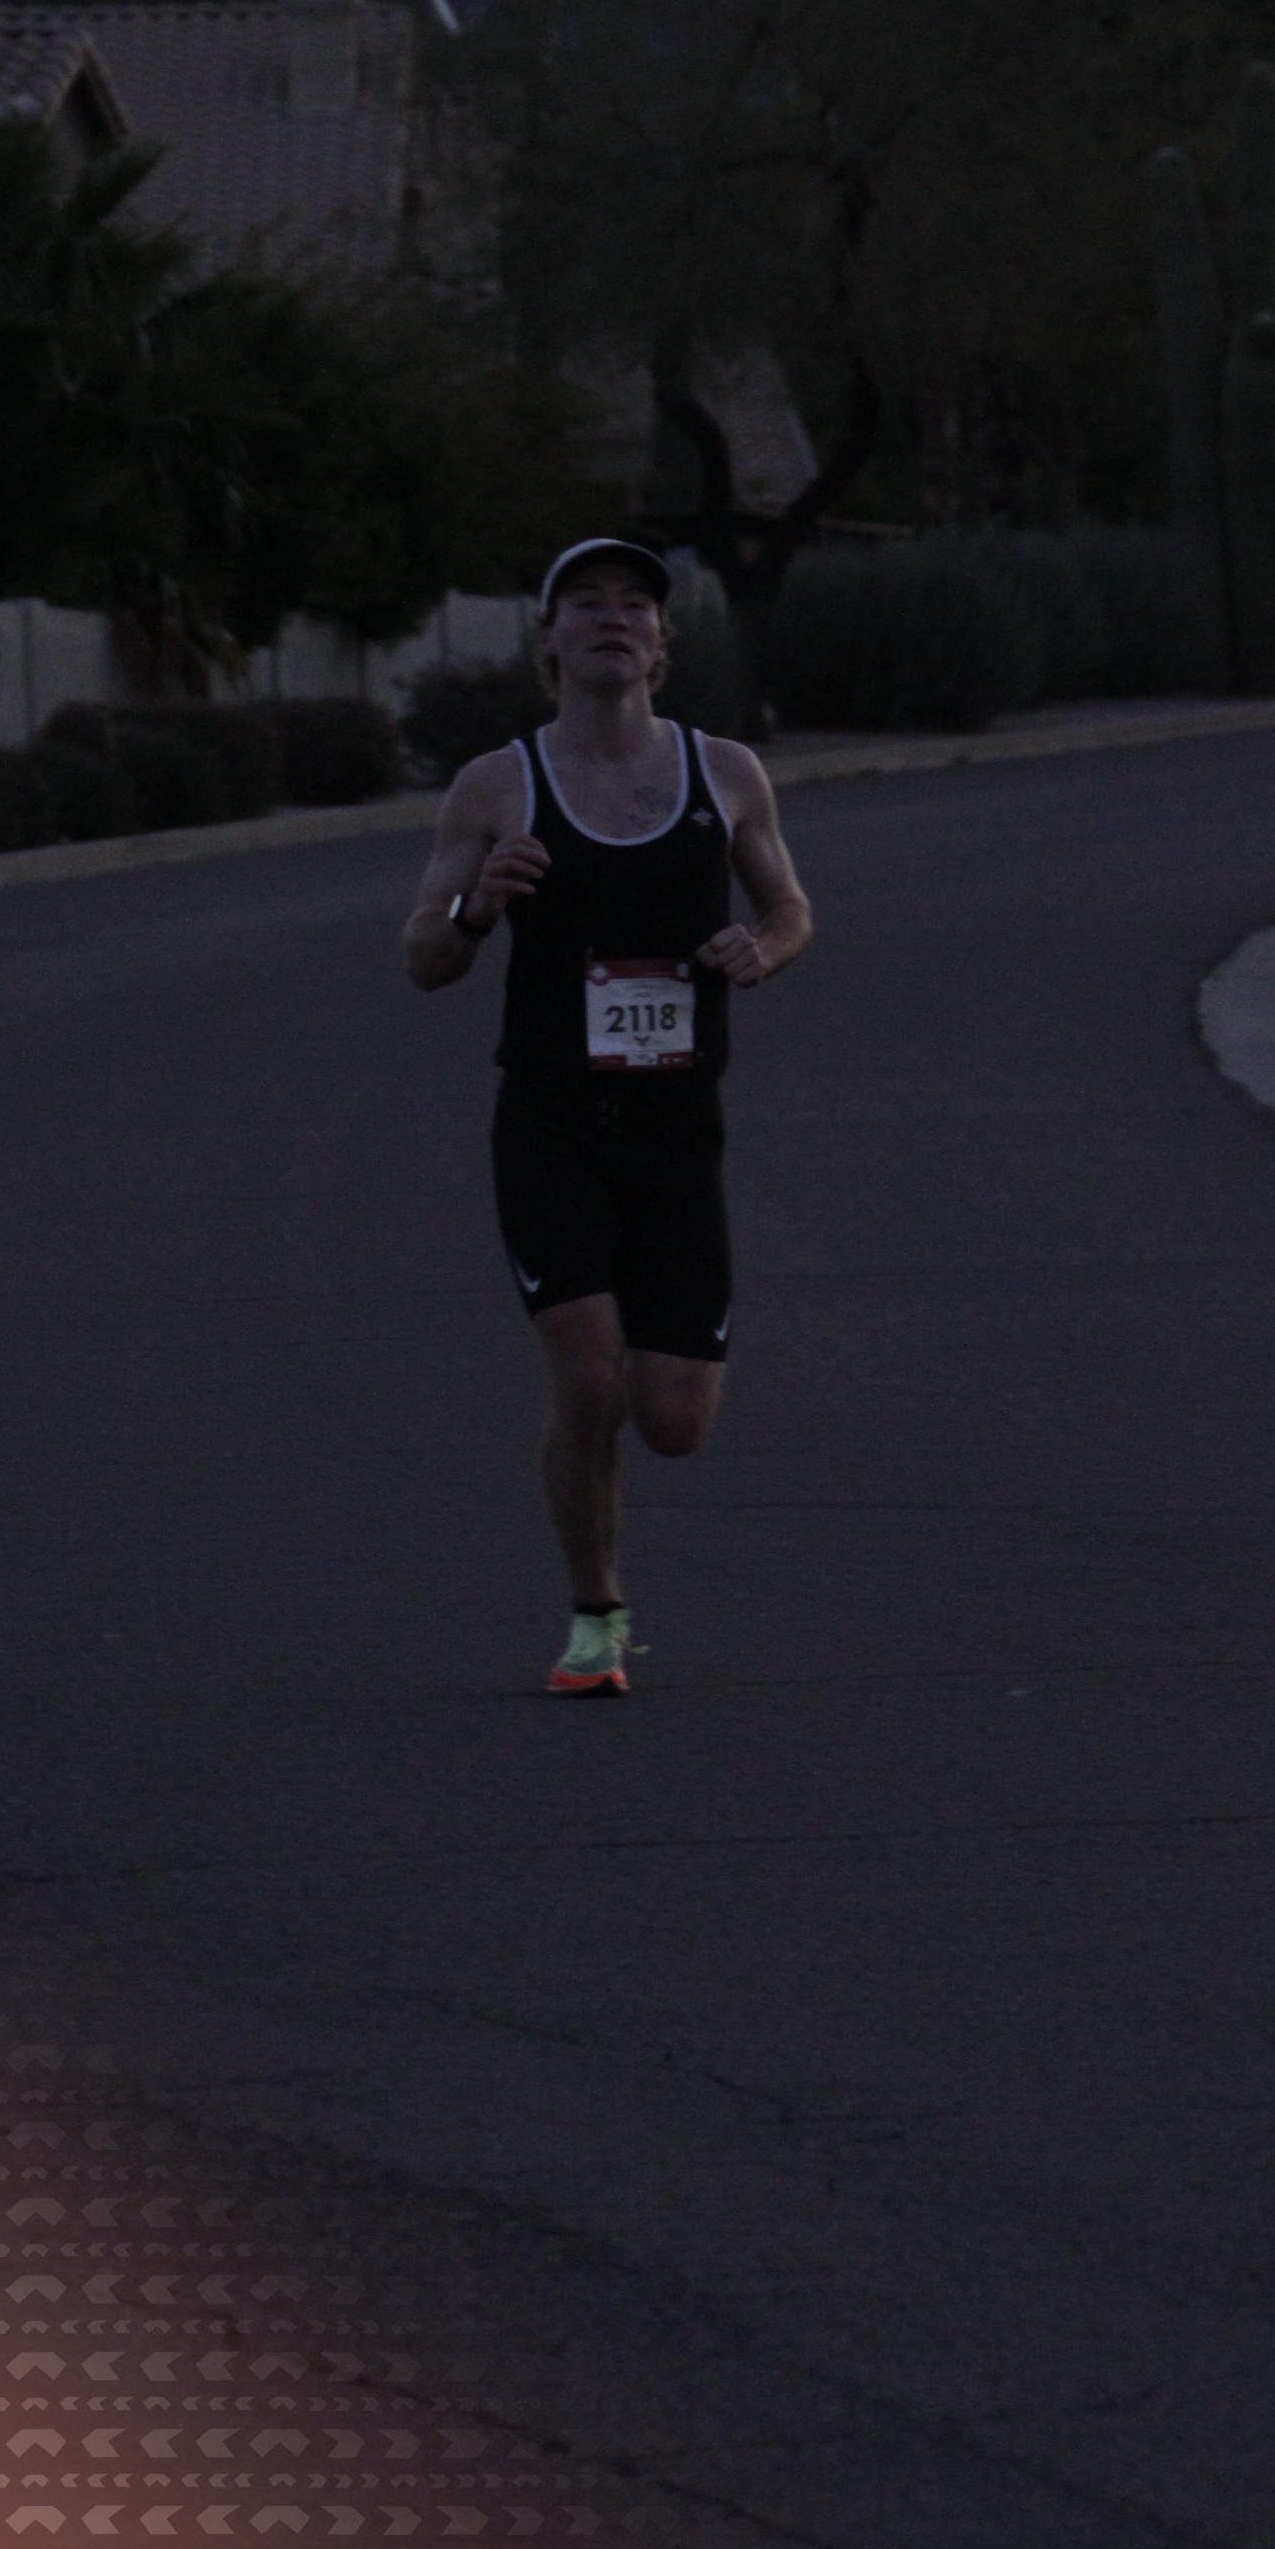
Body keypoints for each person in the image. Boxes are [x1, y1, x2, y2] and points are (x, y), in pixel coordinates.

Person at [406, 539, 812, 1696]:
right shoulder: (497, 785)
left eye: (635, 605)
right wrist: (474, 908)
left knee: (673, 1420)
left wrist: (764, 946)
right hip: (552, 1123)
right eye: (584, 604)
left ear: (664, 643)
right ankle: (596, 1618)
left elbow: (790, 907)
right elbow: (422, 955)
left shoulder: (724, 771)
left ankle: (611, 1463)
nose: (612, 619)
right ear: (549, 639)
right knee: (587, 1378)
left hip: (679, 1130)